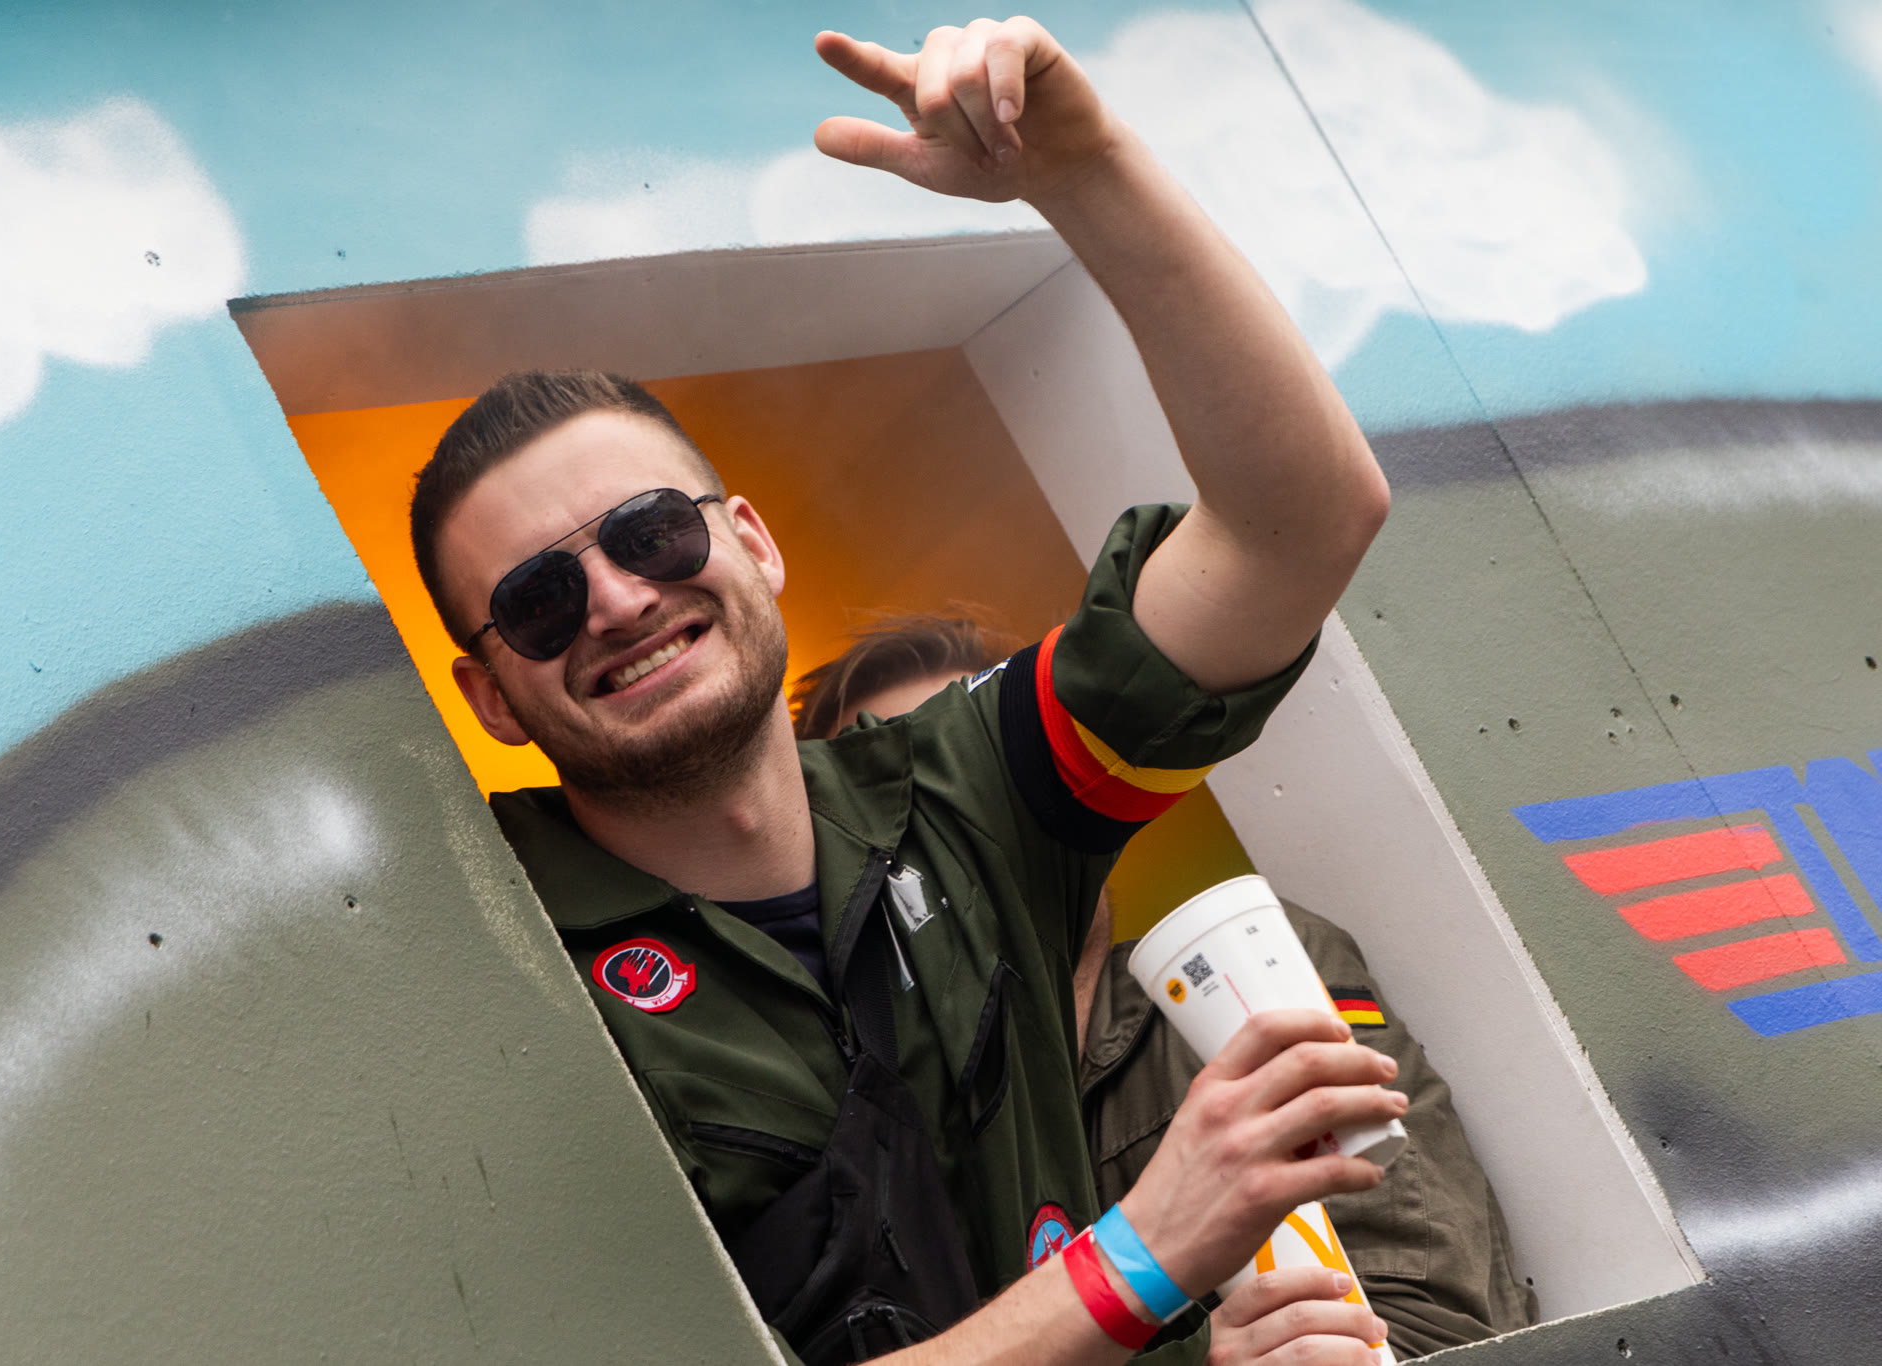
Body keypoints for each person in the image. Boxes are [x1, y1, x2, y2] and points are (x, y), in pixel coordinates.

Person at [410, 17, 1402, 1365]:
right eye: (538, 597)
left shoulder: (973, 785)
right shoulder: (488, 976)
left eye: (652, 531)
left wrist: (1084, 172)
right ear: (491, 694)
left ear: (751, 542)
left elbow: (1298, 526)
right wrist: (1137, 1263)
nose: (620, 600)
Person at [792, 616, 1541, 1358]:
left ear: (1067, 801)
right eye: (905, 814)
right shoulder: (853, 1130)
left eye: (985, 786)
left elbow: (1435, 1331)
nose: (958, 837)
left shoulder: (1249, 972)